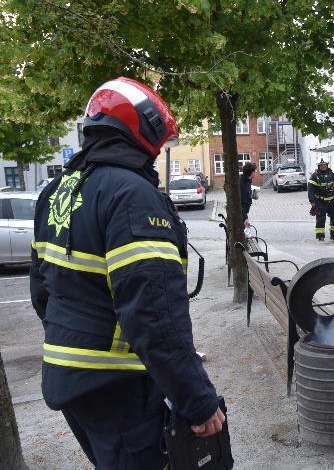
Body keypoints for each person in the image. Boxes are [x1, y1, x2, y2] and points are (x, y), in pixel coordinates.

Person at [30, 77, 224, 469]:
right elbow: (153, 314)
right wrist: (197, 401)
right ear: (145, 130)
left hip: (71, 379)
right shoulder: (131, 195)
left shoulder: (58, 191)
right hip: (118, 384)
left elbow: (42, 292)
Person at [308, 159, 334, 241]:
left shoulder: (332, 174)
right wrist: (312, 202)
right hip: (320, 201)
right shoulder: (315, 176)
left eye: (325, 164)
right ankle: (320, 236)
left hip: (332, 200)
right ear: (318, 166)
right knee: (320, 219)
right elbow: (310, 190)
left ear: (327, 165)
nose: (323, 166)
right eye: (321, 165)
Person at [240, 161, 256, 227]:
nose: (255, 173)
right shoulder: (242, 184)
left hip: (244, 211)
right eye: (254, 171)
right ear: (251, 172)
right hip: (241, 213)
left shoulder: (248, 179)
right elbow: (241, 203)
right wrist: (245, 218)